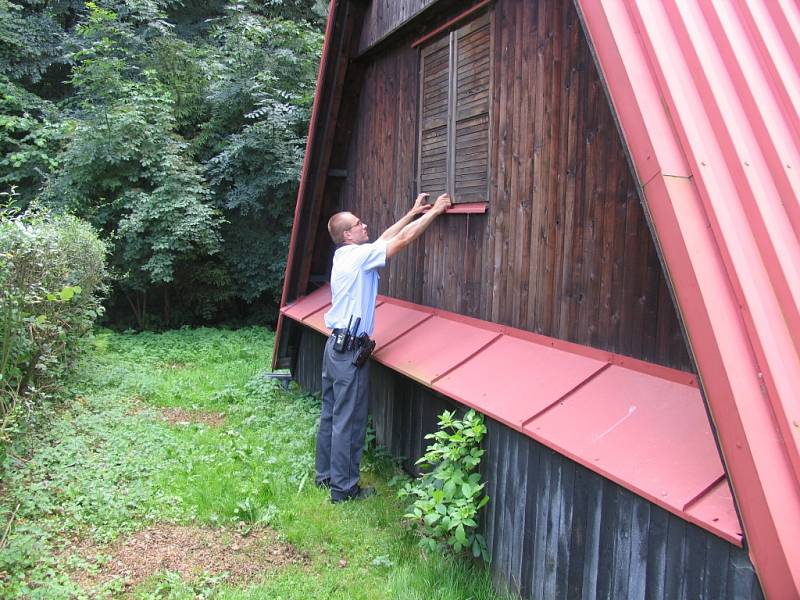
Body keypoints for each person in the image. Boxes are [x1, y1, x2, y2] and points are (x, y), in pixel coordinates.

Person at [315, 191, 452, 503]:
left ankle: (325, 477)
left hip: (334, 347)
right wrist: (435, 213)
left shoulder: (346, 255)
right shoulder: (359, 257)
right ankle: (344, 490)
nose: (366, 226)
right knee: (348, 422)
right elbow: (400, 241)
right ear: (348, 235)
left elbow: (387, 237)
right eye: (359, 224)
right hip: (349, 353)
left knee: (330, 416)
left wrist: (413, 211)